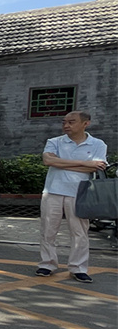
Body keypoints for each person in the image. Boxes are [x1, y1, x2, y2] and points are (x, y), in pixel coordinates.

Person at [37, 111, 107, 283]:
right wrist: (85, 163)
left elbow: (96, 168)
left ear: (85, 123)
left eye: (71, 122)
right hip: (52, 191)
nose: (66, 125)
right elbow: (48, 161)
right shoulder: (54, 142)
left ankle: (78, 268)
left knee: (79, 232)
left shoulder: (98, 144)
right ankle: (47, 264)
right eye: (64, 122)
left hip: (80, 192)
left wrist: (62, 163)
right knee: (48, 230)